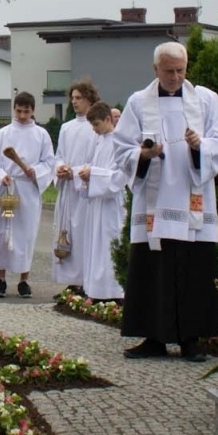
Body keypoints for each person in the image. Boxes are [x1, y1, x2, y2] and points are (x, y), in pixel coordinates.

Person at [113, 41, 218, 362]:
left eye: (181, 70)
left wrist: (199, 146)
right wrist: (145, 153)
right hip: (155, 203)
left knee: (193, 272)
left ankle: (191, 340)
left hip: (193, 201)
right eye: (169, 71)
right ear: (156, 69)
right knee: (154, 271)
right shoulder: (138, 102)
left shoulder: (206, 100)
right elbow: (122, 147)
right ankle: (153, 338)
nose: (176, 77)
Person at [0, 91, 56, 298]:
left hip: (27, 189)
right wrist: (1, 175)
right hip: (8, 189)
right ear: (14, 109)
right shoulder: (4, 133)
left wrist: (36, 172)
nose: (22, 115)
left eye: (26, 111)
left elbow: (48, 162)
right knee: (2, 232)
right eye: (19, 111)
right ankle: (1, 279)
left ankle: (24, 280)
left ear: (33, 111)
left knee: (25, 234)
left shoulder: (41, 135)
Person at [68, 101, 129, 302]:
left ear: (108, 119)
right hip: (97, 203)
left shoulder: (119, 142)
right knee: (95, 245)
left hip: (112, 203)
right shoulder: (100, 141)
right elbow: (94, 166)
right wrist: (81, 172)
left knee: (110, 244)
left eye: (96, 124)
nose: (94, 130)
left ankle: (115, 291)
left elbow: (120, 174)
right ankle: (96, 290)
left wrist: (92, 173)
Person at [51, 80, 101, 295]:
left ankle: (83, 280)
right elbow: (59, 155)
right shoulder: (66, 127)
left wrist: (76, 171)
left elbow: (97, 160)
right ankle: (70, 281)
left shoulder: (95, 127)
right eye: (72, 98)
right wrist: (60, 168)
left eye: (79, 98)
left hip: (84, 190)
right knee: (66, 232)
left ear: (89, 98)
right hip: (67, 190)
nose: (74, 102)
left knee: (82, 234)